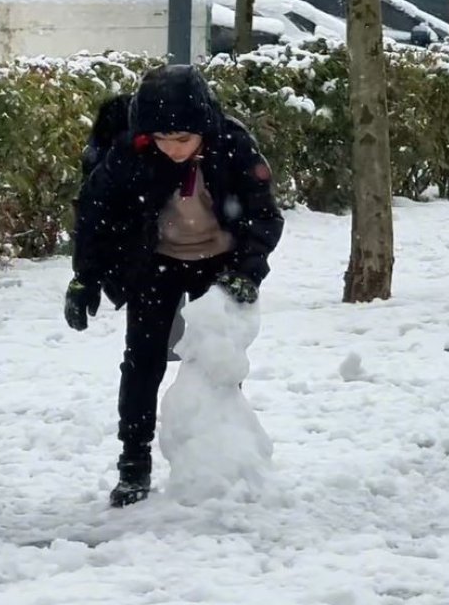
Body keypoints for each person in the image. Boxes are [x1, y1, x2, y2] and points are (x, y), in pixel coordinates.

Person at [64, 64, 284, 507]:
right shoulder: (133, 152)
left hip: (220, 265)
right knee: (142, 362)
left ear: (203, 128)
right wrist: (85, 277)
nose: (173, 149)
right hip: (156, 261)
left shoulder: (233, 145)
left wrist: (244, 274)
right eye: (163, 140)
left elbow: (264, 217)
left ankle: (222, 453)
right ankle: (134, 462)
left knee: (217, 362)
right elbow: (95, 212)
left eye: (183, 139)